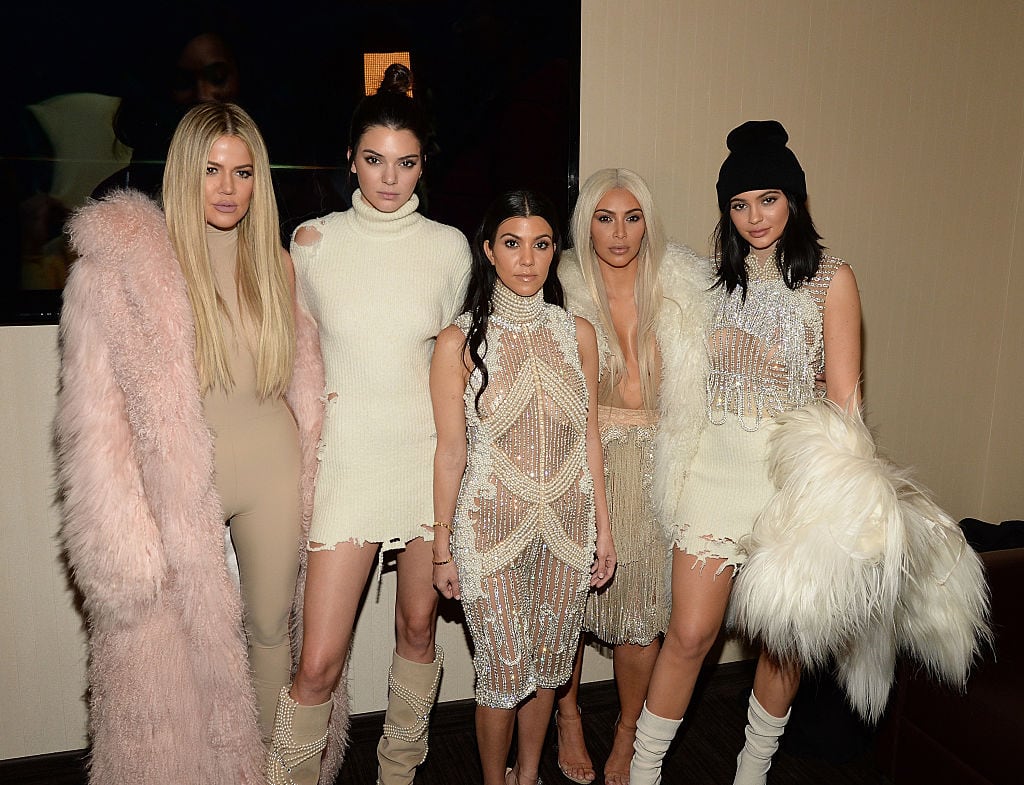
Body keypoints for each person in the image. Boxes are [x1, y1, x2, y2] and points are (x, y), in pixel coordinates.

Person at [55, 101, 338, 784]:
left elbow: (296, 373)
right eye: (212, 169)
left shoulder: (276, 261)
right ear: (186, 172)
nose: (227, 186)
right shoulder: (145, 269)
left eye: (242, 171)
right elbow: (97, 410)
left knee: (271, 630)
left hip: (273, 460)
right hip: (189, 474)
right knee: (185, 646)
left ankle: (279, 771)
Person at [628, 120, 864, 785]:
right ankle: (644, 772)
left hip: (787, 482)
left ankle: (751, 772)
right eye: (739, 203)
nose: (754, 216)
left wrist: (839, 500)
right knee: (691, 635)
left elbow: (845, 405)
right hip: (712, 472)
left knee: (783, 641)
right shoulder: (709, 280)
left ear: (794, 199)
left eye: (768, 198)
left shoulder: (830, 280)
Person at [266, 64, 472, 785]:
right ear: (351, 158)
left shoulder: (449, 248)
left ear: (425, 164)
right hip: (349, 465)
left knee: (417, 629)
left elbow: (457, 372)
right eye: (375, 160)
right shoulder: (311, 243)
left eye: (407, 162)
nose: (391, 178)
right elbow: (290, 365)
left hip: (423, 463)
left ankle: (399, 773)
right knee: (317, 662)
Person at [429, 189, 617, 785]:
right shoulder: (458, 343)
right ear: (489, 251)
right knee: (503, 670)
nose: (527, 259)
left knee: (549, 667)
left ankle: (529, 774)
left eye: (540, 245)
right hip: (489, 528)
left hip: (567, 528)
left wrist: (603, 533)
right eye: (512, 244)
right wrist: (441, 546)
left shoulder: (578, 334)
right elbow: (450, 450)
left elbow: (590, 441)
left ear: (554, 250)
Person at [552, 168, 711, 785]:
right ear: (585, 223)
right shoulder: (559, 286)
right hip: (577, 460)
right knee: (565, 603)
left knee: (643, 613)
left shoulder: (683, 289)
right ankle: (566, 716)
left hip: (656, 466)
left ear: (649, 222)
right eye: (604, 217)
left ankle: (627, 733)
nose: (619, 233)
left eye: (632, 217)